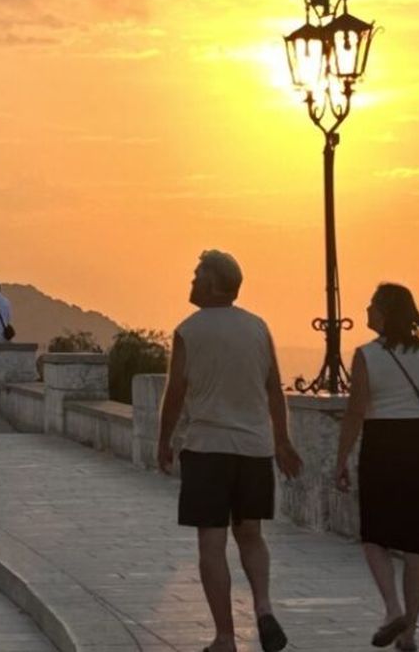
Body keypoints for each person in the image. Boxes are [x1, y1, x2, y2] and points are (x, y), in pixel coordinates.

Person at [157, 250, 302, 652]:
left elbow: (176, 392)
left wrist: (164, 439)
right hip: (254, 449)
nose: (191, 280)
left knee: (212, 543)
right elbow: (274, 389)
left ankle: (225, 637)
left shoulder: (188, 331)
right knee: (251, 535)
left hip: (208, 449)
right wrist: (282, 440)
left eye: (197, 274)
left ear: (213, 283)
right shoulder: (258, 327)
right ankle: (264, 608)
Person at [333, 283, 419, 652]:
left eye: (372, 305)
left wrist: (342, 459)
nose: (367, 310)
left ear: (386, 312)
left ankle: (392, 609)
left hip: (383, 443)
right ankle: (409, 633)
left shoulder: (366, 355)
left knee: (374, 535)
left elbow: (355, 412)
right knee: (416, 545)